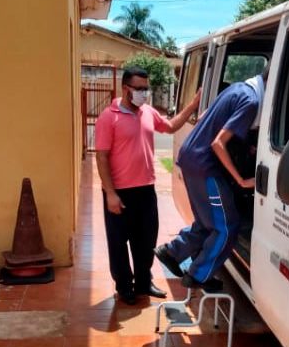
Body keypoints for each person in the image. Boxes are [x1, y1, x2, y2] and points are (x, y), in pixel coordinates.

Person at [154, 63, 270, 292]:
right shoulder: (252, 101)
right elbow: (218, 143)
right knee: (227, 227)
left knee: (209, 223)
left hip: (192, 158)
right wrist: (241, 180)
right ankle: (198, 275)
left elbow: (206, 116)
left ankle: (172, 252)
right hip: (205, 166)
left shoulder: (238, 88)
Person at [95, 66, 201, 305]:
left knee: (146, 240)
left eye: (146, 88)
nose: (145, 93)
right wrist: (110, 193)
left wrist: (193, 105)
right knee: (119, 243)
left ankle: (143, 282)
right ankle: (125, 287)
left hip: (146, 190)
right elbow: (101, 157)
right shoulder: (108, 117)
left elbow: (171, 126)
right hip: (119, 192)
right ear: (125, 88)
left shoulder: (147, 112)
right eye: (139, 89)